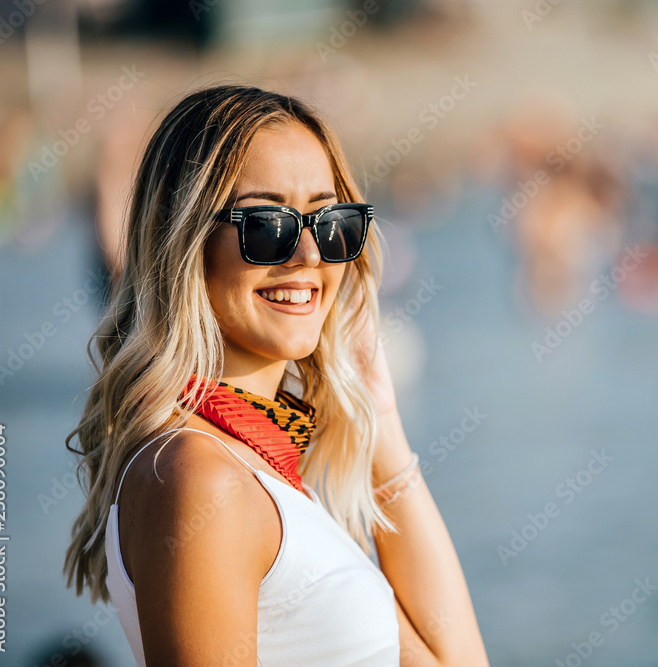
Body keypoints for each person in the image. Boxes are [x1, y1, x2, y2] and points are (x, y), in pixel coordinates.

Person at [62, 84, 489, 666]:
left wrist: (382, 433)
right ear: (183, 241)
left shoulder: (260, 467)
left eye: (331, 221)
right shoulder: (197, 478)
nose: (310, 255)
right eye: (268, 225)